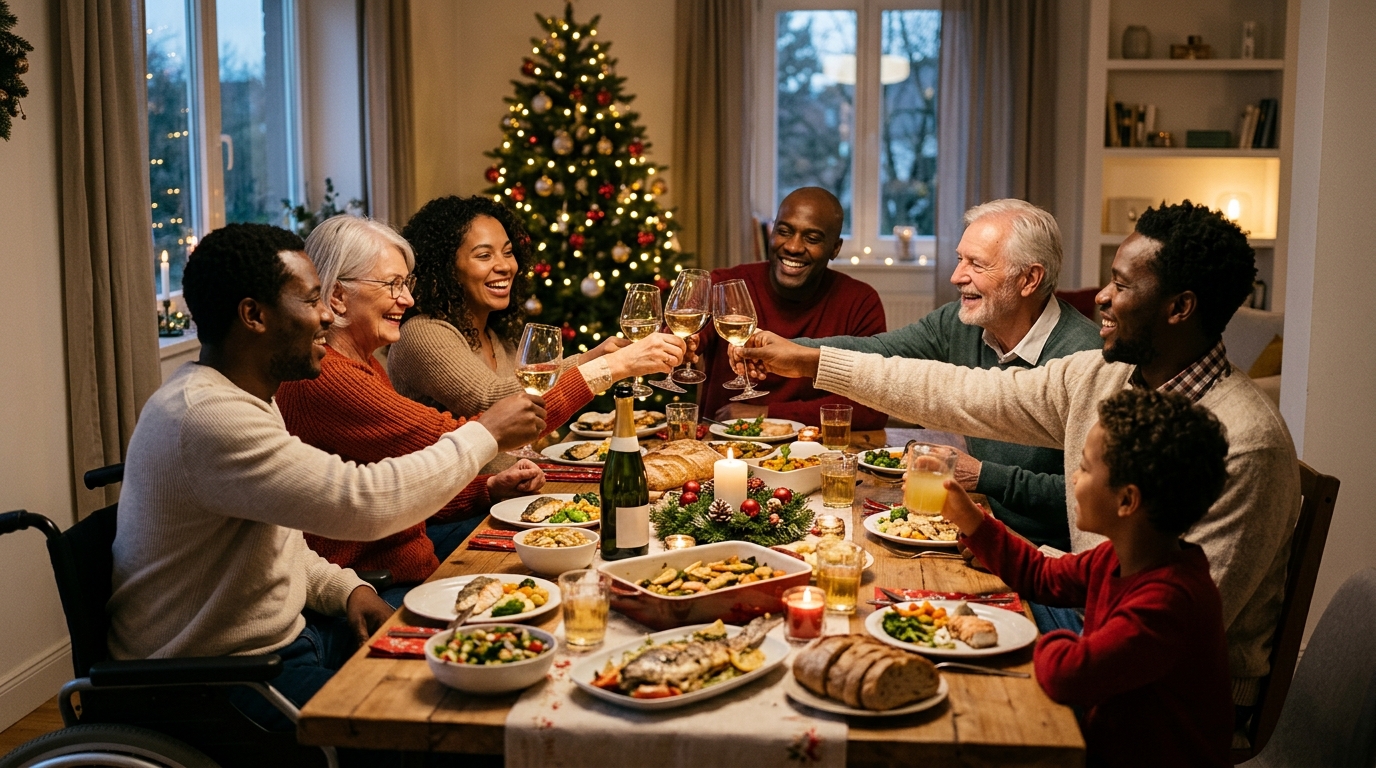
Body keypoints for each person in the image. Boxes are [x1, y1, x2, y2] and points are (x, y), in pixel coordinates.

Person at [741, 201, 1301, 711]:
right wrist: (810, 362)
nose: (1101, 297)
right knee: (885, 616)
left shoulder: (1245, 442)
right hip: (1082, 616)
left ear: (1179, 307)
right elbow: (962, 393)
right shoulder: (1107, 375)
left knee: (926, 677)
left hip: (1163, 700)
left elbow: (1173, 636)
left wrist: (1017, 630)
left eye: (1122, 286)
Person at [107, 223, 546, 729]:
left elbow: (281, 541)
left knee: (480, 649)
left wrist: (346, 590)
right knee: (441, 715)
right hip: (211, 680)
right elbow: (363, 503)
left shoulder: (247, 397)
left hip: (292, 637)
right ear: (254, 315)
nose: (324, 314)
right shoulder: (208, 417)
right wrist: (485, 432)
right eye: (312, 299)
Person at [781, 199, 1102, 550]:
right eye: (960, 258)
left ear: (1029, 279)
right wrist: (790, 350)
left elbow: (1088, 494)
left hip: (1042, 556)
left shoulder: (1087, 360)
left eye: (976, 264)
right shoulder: (961, 323)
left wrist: (984, 476)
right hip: (973, 527)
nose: (956, 276)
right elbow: (881, 351)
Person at [942, 388, 1233, 767]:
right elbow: (1041, 576)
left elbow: (1069, 674)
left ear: (1127, 501)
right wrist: (973, 522)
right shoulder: (1121, 555)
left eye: (1083, 467)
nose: (1073, 478)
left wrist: (1038, 636)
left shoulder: (1168, 602)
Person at [277, 216, 548, 606]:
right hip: (378, 583)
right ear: (337, 297)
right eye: (392, 285)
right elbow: (448, 435)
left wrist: (485, 489)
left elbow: (405, 479)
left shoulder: (364, 363)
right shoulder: (327, 377)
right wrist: (605, 368)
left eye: (406, 284)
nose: (406, 299)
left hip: (410, 556)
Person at [388, 195, 685, 422]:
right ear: (446, 269)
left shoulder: (495, 336)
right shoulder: (422, 333)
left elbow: (535, 399)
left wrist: (595, 355)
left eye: (507, 253)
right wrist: (615, 366)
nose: (505, 266)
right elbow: (492, 402)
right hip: (460, 503)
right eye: (484, 255)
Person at [694, 186, 887, 427]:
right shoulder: (725, 284)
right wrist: (681, 344)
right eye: (784, 232)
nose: (793, 247)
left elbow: (872, 407)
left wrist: (766, 414)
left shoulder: (860, 302)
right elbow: (684, 337)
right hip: (725, 451)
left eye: (812, 238)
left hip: (814, 452)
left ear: (835, 249)